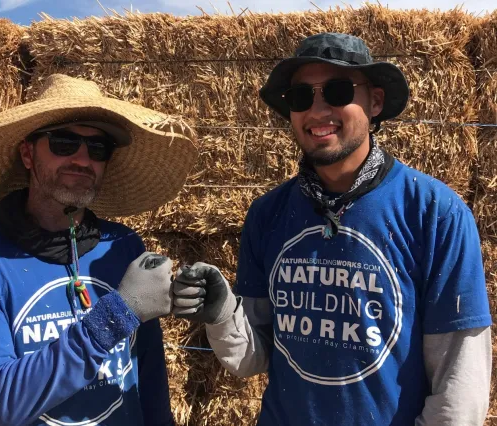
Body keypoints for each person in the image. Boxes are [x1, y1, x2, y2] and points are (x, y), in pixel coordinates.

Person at [172, 33, 492, 425]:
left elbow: (460, 378)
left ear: (375, 102)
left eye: (338, 91)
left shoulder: (434, 211)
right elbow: (250, 359)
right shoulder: (268, 214)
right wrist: (222, 313)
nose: (318, 110)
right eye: (301, 97)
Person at [0, 73, 197, 426]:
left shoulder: (122, 247)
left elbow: (147, 367)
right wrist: (115, 316)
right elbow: (2, 401)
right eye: (63, 143)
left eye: (97, 149)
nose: (82, 159)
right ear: (28, 154)